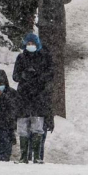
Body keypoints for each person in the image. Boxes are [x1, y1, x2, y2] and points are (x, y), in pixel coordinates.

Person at [12, 34, 53, 165]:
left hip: (38, 95)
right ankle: (24, 156)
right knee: (22, 125)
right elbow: (15, 76)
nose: (30, 46)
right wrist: (24, 75)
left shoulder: (44, 57)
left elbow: (50, 73)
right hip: (23, 95)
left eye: (32, 43)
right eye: (28, 44)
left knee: (37, 125)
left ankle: (37, 156)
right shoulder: (21, 57)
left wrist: (38, 76)